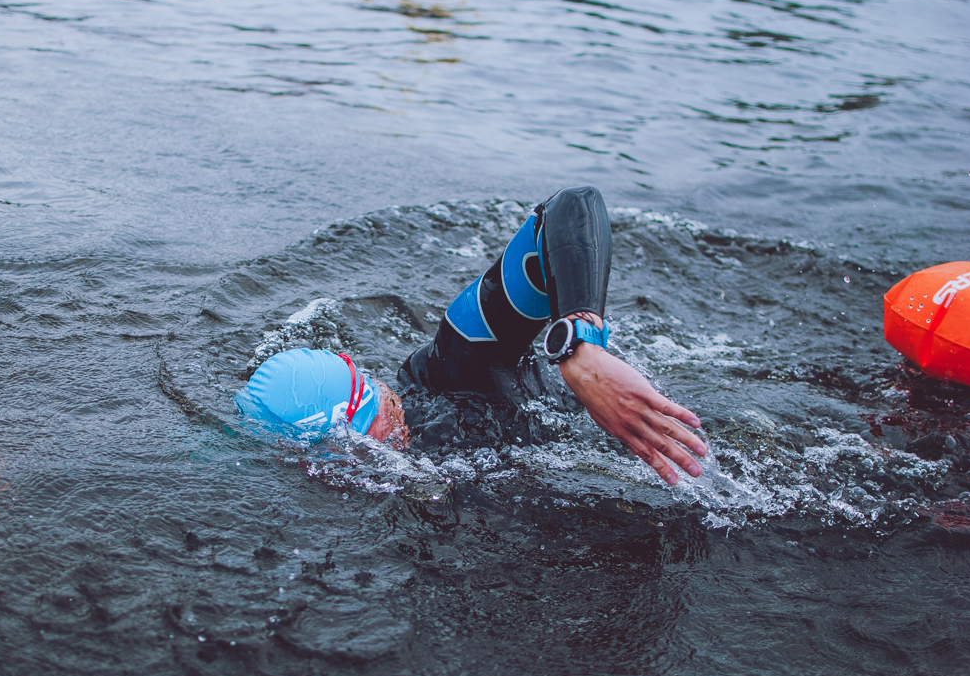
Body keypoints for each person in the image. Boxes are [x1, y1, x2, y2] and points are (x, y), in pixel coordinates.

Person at [237, 186, 707, 486]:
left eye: (357, 444)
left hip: (670, 423)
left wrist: (581, 346)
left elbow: (572, 206)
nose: (368, 459)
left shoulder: (456, 369)